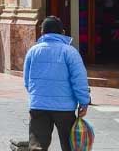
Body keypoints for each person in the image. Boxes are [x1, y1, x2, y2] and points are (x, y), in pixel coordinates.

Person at [23, 16, 90, 151]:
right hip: (64, 108)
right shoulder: (70, 52)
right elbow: (79, 80)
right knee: (69, 145)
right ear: (63, 32)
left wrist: (37, 96)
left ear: (42, 33)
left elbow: (27, 80)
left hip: (38, 106)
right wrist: (84, 102)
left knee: (37, 146)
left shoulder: (33, 51)